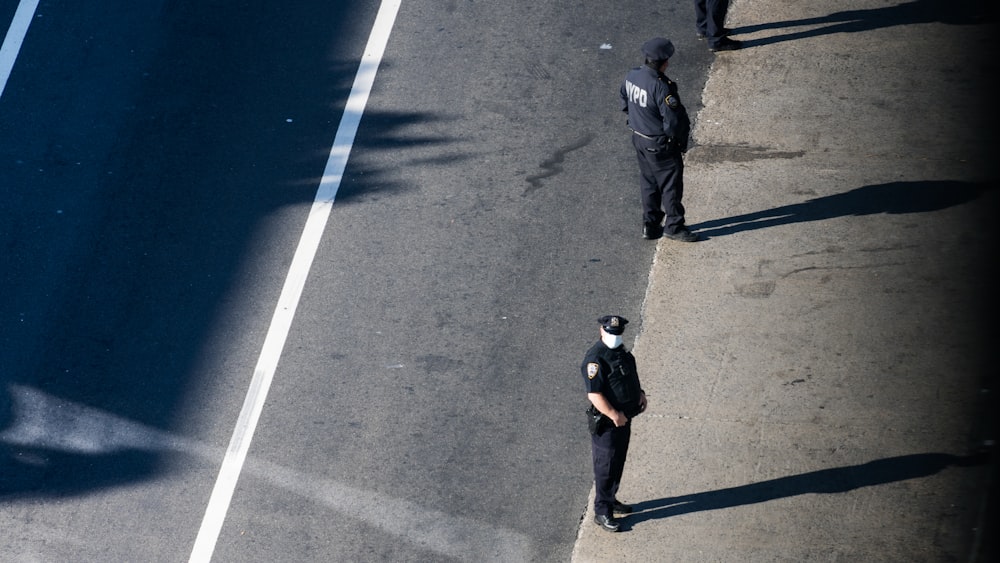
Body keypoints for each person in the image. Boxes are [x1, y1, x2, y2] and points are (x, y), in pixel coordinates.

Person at [620, 37, 698, 242]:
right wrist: (678, 143)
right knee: (670, 185)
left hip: (639, 138)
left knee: (649, 183)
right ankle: (674, 226)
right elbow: (672, 122)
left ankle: (651, 224)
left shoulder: (632, 76)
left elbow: (624, 100)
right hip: (659, 144)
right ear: (665, 62)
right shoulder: (662, 87)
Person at [581, 315, 648, 532]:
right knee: (606, 467)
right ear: (602, 331)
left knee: (617, 462)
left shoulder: (620, 352)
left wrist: (641, 395)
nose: (615, 338)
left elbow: (628, 377)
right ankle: (602, 511)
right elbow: (594, 395)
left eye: (618, 334)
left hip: (624, 418)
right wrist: (613, 414)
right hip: (608, 424)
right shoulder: (595, 359)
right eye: (611, 333)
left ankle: (610, 498)